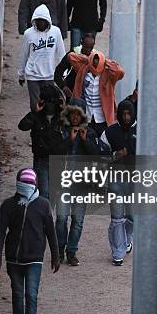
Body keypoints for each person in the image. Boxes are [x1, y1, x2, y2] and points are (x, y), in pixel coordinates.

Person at [0, 168, 60, 314]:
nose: (27, 187)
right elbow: (0, 233)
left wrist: (56, 255)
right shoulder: (8, 206)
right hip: (14, 259)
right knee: (17, 295)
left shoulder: (43, 205)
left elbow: (50, 231)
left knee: (31, 296)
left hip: (34, 260)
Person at [55, 98, 100, 266]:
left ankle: (71, 251)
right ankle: (59, 247)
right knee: (61, 217)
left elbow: (95, 154)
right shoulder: (61, 130)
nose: (75, 117)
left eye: (78, 114)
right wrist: (70, 140)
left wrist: (84, 140)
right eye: (72, 113)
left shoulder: (90, 132)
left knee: (78, 220)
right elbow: (56, 151)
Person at [100, 100, 136, 266]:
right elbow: (100, 156)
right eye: (123, 114)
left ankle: (127, 239)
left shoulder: (141, 131)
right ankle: (117, 251)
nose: (126, 117)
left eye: (129, 114)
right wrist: (115, 155)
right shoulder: (109, 132)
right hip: (115, 179)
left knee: (132, 216)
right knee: (116, 217)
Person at [18, 83, 65, 199]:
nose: (50, 106)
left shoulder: (62, 117)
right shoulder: (36, 117)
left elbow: (77, 124)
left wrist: (66, 109)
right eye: (48, 102)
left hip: (58, 159)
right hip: (41, 158)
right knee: (43, 193)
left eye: (53, 102)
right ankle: (44, 215)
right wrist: (34, 112)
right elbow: (22, 126)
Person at [18, 4, 66, 110]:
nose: (41, 23)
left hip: (49, 75)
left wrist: (63, 74)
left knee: (49, 105)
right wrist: (21, 75)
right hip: (33, 76)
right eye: (38, 20)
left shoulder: (56, 32)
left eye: (43, 20)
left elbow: (61, 55)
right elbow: (24, 55)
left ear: (47, 20)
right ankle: (35, 126)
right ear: (34, 20)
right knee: (35, 106)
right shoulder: (28, 34)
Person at [68, 51, 125, 137]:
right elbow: (71, 57)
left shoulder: (108, 75)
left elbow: (119, 72)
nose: (95, 65)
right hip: (87, 118)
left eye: (98, 62)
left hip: (103, 119)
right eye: (94, 62)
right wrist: (88, 58)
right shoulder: (83, 70)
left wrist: (105, 61)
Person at [54, 32, 95, 99]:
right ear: (81, 43)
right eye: (86, 47)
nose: (88, 50)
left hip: (88, 95)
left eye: (90, 47)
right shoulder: (73, 55)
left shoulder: (95, 57)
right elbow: (57, 73)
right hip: (72, 92)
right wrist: (63, 87)